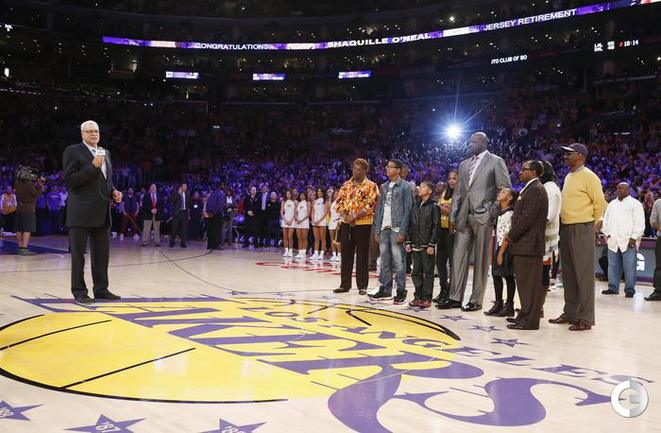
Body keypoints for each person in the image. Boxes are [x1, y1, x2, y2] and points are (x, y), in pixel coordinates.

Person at [439, 132, 512, 312]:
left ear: (483, 143)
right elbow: (458, 193)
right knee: (458, 257)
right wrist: (453, 216)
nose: (470, 144)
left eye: (473, 142)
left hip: (483, 216)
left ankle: (476, 300)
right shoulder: (464, 165)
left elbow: (505, 188)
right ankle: (455, 297)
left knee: (481, 259)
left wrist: (491, 211)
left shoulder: (496, 161)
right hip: (464, 216)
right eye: (470, 141)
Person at [63, 120, 122, 304]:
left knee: (102, 255)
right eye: (89, 131)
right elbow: (71, 180)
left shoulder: (105, 152)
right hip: (80, 212)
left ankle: (101, 289)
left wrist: (113, 191)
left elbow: (106, 180)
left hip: (102, 212)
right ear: (82, 134)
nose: (94, 134)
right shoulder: (73, 151)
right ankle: (79, 291)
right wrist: (93, 166)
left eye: (96, 131)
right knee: (79, 256)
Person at [549, 143, 607, 331]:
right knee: (568, 274)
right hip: (566, 227)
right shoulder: (568, 176)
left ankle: (585, 318)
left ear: (580, 156)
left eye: (569, 154)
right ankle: (570, 312)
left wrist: (593, 225)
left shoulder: (590, 176)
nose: (565, 157)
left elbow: (600, 203)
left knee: (583, 275)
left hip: (582, 227)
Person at [505, 161, 548, 330]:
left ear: (534, 172)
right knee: (524, 284)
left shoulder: (536, 189)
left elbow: (527, 218)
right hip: (524, 243)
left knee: (529, 285)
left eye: (524, 169)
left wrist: (511, 235)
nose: (520, 172)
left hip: (529, 244)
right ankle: (524, 315)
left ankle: (530, 320)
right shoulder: (530, 188)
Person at [370, 159, 413, 305]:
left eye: (390, 167)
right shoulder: (383, 187)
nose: (387, 169)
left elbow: (408, 211)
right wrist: (377, 229)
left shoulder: (405, 187)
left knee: (399, 261)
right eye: (387, 167)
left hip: (397, 228)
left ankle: (401, 290)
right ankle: (386, 289)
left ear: (398, 170)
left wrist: (403, 231)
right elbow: (379, 209)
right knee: (385, 261)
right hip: (384, 227)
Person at [334, 158, 378, 295]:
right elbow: (339, 202)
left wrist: (355, 216)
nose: (355, 171)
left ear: (365, 171)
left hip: (363, 224)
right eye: (354, 168)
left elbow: (370, 205)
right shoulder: (346, 184)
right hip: (346, 223)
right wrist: (345, 215)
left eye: (359, 169)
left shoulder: (371, 185)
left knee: (362, 255)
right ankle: (345, 284)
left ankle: (362, 286)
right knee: (346, 254)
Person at [599, 183, 645, 298]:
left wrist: (634, 237)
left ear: (628, 190)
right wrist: (607, 234)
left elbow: (640, 222)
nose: (618, 190)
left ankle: (630, 289)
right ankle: (612, 287)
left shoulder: (635, 204)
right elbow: (605, 220)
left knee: (629, 267)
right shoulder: (612, 204)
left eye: (621, 188)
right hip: (613, 240)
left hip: (628, 241)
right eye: (617, 188)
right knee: (612, 266)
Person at [484, 187, 517, 317]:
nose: (499, 193)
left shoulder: (510, 214)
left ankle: (509, 305)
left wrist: (501, 253)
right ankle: (498, 303)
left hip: (506, 248)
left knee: (508, 276)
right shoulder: (500, 213)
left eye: (503, 192)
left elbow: (507, 235)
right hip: (499, 246)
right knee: (496, 275)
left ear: (509, 198)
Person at [406, 181, 439, 309]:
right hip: (415, 244)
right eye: (420, 186)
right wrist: (409, 241)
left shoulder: (433, 206)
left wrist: (431, 244)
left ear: (430, 191)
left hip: (427, 245)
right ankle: (418, 296)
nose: (420, 188)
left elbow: (436, 227)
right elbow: (411, 225)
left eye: (424, 186)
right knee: (416, 272)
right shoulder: (415, 205)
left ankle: (427, 298)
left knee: (428, 272)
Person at [540, 161, 561, 317]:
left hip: (546, 239)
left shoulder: (551, 189)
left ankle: (538, 307)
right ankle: (532, 305)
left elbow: (550, 216)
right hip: (539, 237)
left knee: (542, 273)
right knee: (537, 273)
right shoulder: (545, 187)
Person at [434, 169, 457, 304]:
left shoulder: (460, 194)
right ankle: (443, 289)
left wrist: (441, 208)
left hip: (452, 231)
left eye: (454, 178)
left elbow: (454, 213)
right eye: (450, 178)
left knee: (452, 263)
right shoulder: (444, 193)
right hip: (441, 230)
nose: (451, 181)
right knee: (440, 262)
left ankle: (452, 292)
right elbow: (441, 209)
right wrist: (443, 209)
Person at [13, 169, 44, 255]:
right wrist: (40, 185)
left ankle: (20, 248)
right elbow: (35, 194)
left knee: (18, 228)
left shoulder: (16, 183)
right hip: (28, 208)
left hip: (19, 207)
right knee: (27, 228)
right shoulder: (29, 184)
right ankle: (24, 248)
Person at [646, 196, 661, 301]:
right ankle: (658, 291)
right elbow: (652, 220)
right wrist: (659, 227)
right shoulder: (658, 203)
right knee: (659, 266)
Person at [169, 182, 191, 248]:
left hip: (184, 213)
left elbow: (189, 204)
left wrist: (188, 214)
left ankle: (183, 243)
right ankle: (172, 242)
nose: (185, 188)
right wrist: (178, 193)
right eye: (184, 187)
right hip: (177, 213)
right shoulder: (175, 193)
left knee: (184, 229)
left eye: (186, 187)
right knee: (174, 228)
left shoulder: (187, 194)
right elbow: (172, 201)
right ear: (181, 187)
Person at [205, 184, 227, 250]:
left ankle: (210, 245)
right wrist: (214, 212)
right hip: (217, 214)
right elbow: (220, 205)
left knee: (210, 230)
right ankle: (217, 245)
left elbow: (207, 204)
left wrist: (209, 212)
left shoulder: (211, 194)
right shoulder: (221, 194)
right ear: (220, 187)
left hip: (210, 214)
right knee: (217, 230)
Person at [310, 187, 329, 261]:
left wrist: (319, 220)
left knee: (322, 238)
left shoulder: (325, 201)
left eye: (320, 191)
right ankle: (315, 253)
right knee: (316, 238)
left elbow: (326, 213)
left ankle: (321, 254)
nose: (319, 192)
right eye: (318, 191)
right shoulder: (314, 201)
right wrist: (313, 219)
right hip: (315, 221)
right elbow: (312, 212)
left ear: (323, 193)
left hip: (322, 221)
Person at [294, 191, 311, 260]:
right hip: (298, 222)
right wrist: (297, 219)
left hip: (305, 222)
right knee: (299, 238)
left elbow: (308, 214)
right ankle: (300, 252)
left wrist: (302, 220)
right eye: (301, 195)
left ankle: (303, 253)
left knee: (304, 238)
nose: (302, 196)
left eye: (303, 195)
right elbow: (295, 213)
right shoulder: (298, 203)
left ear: (305, 196)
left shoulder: (308, 203)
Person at [281, 189, 296, 257]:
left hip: (292, 220)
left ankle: (290, 251)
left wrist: (291, 220)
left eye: (289, 193)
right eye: (287, 193)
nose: (288, 195)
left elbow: (295, 212)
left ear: (291, 194)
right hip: (285, 220)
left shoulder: (294, 202)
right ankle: (286, 251)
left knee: (290, 236)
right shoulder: (283, 202)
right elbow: (281, 212)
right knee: (285, 236)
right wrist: (285, 220)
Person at [328, 189, 342, 262]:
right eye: (335, 194)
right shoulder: (332, 203)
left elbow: (342, 214)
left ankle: (339, 255)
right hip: (331, 222)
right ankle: (334, 255)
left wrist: (339, 222)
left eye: (337, 194)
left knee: (337, 240)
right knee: (332, 239)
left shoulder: (341, 203)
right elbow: (330, 214)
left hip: (338, 222)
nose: (336, 195)